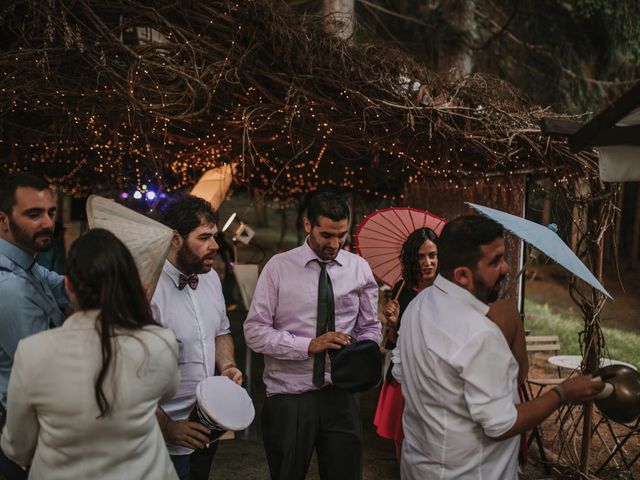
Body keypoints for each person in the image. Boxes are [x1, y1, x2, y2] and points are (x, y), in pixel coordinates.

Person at [393, 215, 604, 479]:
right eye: (495, 262)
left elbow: (400, 374)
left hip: (420, 467)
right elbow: (501, 424)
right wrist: (562, 393)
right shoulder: (479, 334)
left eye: (503, 257)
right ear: (462, 276)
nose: (505, 268)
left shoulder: (417, 306)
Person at [0, 228, 179, 480]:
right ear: (131, 285)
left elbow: (18, 447)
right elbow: (167, 391)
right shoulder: (160, 342)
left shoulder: (32, 352)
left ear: (69, 286)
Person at [244, 191, 381, 480]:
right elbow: (254, 332)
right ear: (308, 225)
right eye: (326, 235)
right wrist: (309, 346)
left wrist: (364, 350)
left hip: (342, 394)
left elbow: (369, 327)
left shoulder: (359, 269)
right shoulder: (278, 269)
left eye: (341, 235)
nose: (334, 243)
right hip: (289, 396)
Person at [151, 195, 243, 480]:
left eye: (214, 236)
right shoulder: (147, 288)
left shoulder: (211, 278)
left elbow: (221, 331)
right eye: (204, 237)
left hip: (207, 424)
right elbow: (125, 377)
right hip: (159, 435)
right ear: (175, 239)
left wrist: (227, 365)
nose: (215, 246)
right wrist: (167, 427)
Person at [0, 173, 71, 480]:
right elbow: (49, 369)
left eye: (50, 213)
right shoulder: (10, 288)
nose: (47, 223)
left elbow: (66, 288)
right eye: (34, 214)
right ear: (3, 220)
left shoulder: (28, 265)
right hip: (24, 432)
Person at [374, 227, 438, 458]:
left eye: (433, 255)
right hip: (403, 376)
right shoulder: (403, 288)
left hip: (434, 377)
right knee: (401, 440)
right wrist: (391, 322)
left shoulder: (448, 291)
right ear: (413, 258)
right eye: (421, 256)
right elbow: (392, 343)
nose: (428, 262)